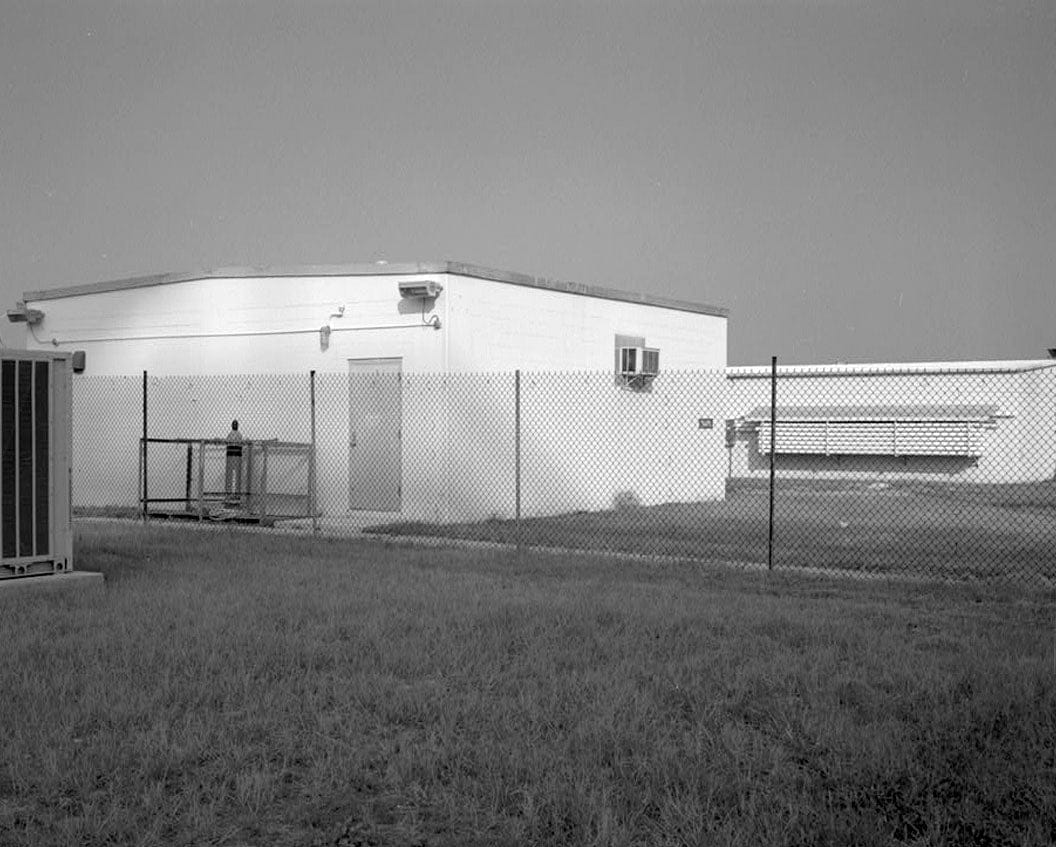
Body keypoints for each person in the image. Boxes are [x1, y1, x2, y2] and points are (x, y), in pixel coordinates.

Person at [224, 419, 244, 507]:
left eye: (236, 424)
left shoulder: (238, 435)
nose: (235, 425)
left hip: (237, 456)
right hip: (231, 456)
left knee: (236, 476)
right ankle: (229, 497)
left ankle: (236, 497)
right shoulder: (231, 435)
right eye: (234, 424)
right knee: (230, 476)